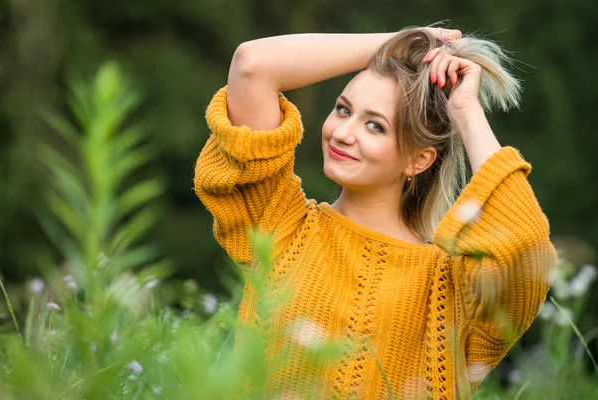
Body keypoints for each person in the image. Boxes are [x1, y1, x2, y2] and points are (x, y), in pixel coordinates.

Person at [194, 26, 557, 399]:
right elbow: (253, 66)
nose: (343, 133)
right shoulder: (279, 223)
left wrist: (465, 111)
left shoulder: (450, 289)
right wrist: (402, 43)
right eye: (343, 109)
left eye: (374, 125)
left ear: (418, 160)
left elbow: (525, 248)